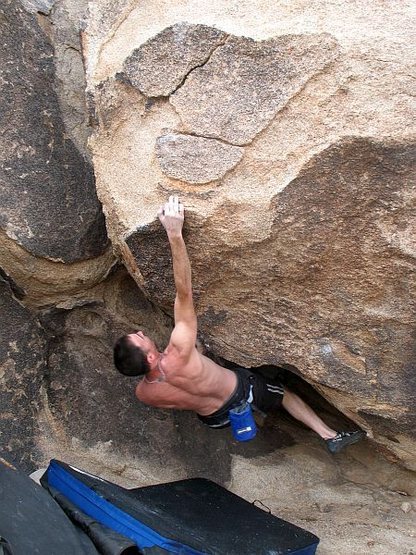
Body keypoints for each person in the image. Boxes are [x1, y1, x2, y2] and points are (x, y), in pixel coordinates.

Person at [114, 196, 366, 454]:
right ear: (151, 355)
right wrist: (174, 233)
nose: (141, 332)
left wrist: (197, 359)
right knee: (283, 392)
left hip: (214, 419)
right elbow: (184, 293)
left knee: (212, 363)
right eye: (140, 337)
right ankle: (330, 435)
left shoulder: (144, 394)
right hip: (242, 393)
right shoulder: (178, 351)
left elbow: (180, 389)